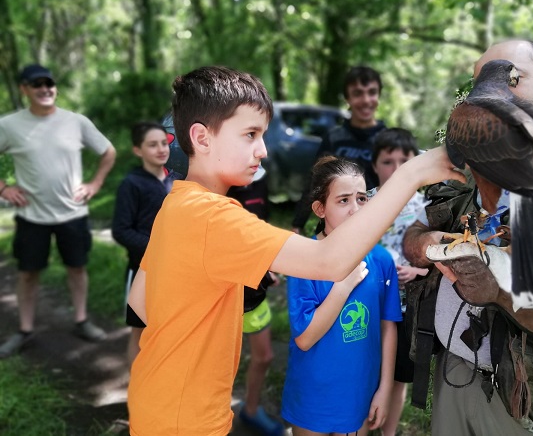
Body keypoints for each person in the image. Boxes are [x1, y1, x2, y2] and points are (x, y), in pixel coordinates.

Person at [126, 65, 463, 436]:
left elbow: (141, 301)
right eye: (250, 134)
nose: (263, 149)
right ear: (202, 138)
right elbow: (330, 261)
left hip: (156, 398)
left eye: (263, 134)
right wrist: (411, 174)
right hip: (185, 419)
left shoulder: (175, 205)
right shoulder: (215, 217)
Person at [402, 39, 533, 436]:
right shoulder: (468, 156)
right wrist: (428, 245)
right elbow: (414, 228)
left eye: (516, 77)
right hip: (455, 370)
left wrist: (497, 289)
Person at [0, 64, 116, 358]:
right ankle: (25, 330)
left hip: (72, 214)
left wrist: (95, 183)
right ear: (24, 89)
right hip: (31, 216)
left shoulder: (75, 122)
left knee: (76, 268)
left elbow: (108, 152)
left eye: (48, 84)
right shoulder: (9, 125)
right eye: (36, 84)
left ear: (55, 88)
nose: (44, 89)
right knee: (28, 274)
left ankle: (81, 320)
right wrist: (4, 189)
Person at [281, 155, 401, 435]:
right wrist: (343, 285)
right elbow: (305, 338)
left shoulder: (381, 259)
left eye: (362, 198)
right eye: (343, 200)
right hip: (313, 398)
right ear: (320, 209)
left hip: (360, 395)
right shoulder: (302, 258)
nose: (355, 209)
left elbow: (388, 327)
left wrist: (384, 390)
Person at [368, 128, 429, 436]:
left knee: (398, 375)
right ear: (375, 164)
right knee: (369, 371)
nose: (395, 169)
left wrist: (416, 273)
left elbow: (437, 260)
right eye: (387, 161)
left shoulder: (424, 207)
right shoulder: (363, 203)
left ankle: (389, 431)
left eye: (403, 161)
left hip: (407, 308)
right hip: (369, 306)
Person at [111, 121, 179, 368]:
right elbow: (121, 231)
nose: (161, 149)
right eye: (152, 145)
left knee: (169, 334)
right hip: (142, 272)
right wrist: (157, 249)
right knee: (140, 334)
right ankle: (137, 397)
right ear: (138, 150)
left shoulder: (176, 182)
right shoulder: (131, 184)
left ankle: (161, 394)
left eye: (164, 143)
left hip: (176, 273)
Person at [291, 65, 386, 234]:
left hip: (375, 231)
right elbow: (314, 182)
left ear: (379, 96)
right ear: (347, 99)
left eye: (371, 92)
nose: (365, 99)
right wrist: (298, 224)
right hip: (333, 231)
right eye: (357, 93)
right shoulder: (334, 139)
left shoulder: (388, 140)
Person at [227, 166, 285, 436]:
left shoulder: (260, 178)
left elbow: (260, 228)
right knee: (219, 362)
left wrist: (267, 265)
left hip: (254, 291)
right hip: (223, 292)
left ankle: (250, 411)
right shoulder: (213, 184)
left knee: (264, 356)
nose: (259, 148)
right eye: (249, 135)